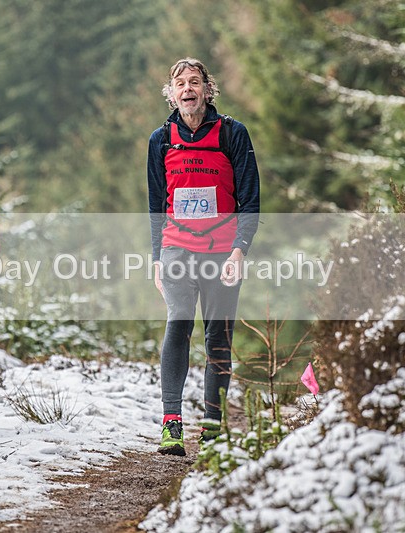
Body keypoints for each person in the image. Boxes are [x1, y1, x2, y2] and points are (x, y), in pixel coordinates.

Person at [147, 58, 260, 456]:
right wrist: (157, 258)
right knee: (178, 323)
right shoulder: (160, 139)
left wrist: (239, 251)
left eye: (195, 82)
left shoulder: (233, 133)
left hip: (222, 252)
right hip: (177, 248)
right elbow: (156, 205)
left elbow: (250, 201)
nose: (187, 89)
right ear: (172, 93)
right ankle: (172, 424)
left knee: (218, 337)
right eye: (180, 83)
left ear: (207, 90)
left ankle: (212, 427)